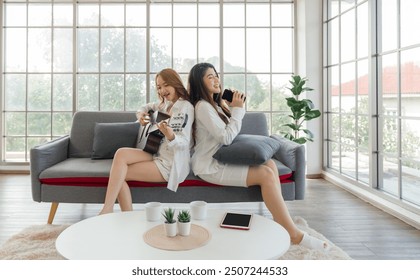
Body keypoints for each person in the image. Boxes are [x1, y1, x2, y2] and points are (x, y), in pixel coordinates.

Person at [187, 62, 330, 251]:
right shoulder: (202, 107)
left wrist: (230, 107)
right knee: (265, 174)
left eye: (216, 75)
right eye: (210, 77)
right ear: (199, 82)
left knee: (269, 165)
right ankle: (294, 235)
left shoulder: (214, 105)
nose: (216, 80)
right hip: (209, 165)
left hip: (221, 159)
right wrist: (238, 110)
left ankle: (282, 222)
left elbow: (229, 134)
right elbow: (227, 137)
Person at [99, 68, 194, 214]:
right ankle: (109, 209)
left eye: (166, 85)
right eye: (159, 87)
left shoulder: (185, 107)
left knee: (119, 176)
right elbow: (146, 107)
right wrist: (140, 115)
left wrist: (171, 136)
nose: (162, 90)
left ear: (175, 83)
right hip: (155, 152)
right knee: (121, 154)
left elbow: (184, 142)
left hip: (169, 163)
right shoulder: (165, 105)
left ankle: (113, 212)